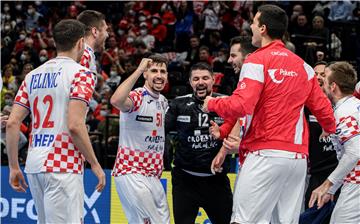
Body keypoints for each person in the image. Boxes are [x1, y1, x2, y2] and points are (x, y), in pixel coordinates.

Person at [202, 4, 336, 223]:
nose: (251, 27)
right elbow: (325, 112)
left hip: (265, 154)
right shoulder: (304, 67)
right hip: (297, 161)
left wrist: (213, 103)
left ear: (263, 28)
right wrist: (329, 129)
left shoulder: (257, 59)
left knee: (244, 220)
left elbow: (242, 105)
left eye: (254, 23)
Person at [6, 19, 105, 223]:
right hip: (63, 165)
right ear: (80, 43)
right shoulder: (81, 74)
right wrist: (95, 164)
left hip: (34, 165)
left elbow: (12, 123)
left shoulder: (32, 75)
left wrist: (14, 167)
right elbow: (75, 125)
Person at [165, 62, 234, 224]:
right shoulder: (178, 104)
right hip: (185, 181)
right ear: (190, 82)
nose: (200, 82)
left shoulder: (227, 102)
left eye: (205, 78)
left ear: (213, 80)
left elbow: (241, 126)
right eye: (195, 79)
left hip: (217, 181)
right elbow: (159, 130)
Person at [110, 54, 170, 223]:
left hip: (153, 175)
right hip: (132, 172)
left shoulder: (163, 102)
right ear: (145, 74)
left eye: (163, 71)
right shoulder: (138, 96)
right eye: (154, 71)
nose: (159, 75)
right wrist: (138, 70)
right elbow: (116, 100)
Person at [309, 61, 360, 224]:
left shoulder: (344, 113)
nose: (320, 83)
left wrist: (327, 184)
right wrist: (333, 188)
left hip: (356, 183)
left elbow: (354, 152)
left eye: (324, 80)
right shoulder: (355, 106)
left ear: (333, 87)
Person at [304, 61, 339, 209]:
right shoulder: (305, 106)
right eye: (315, 74)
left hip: (339, 172)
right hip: (315, 174)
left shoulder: (343, 105)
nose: (318, 77)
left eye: (322, 74)